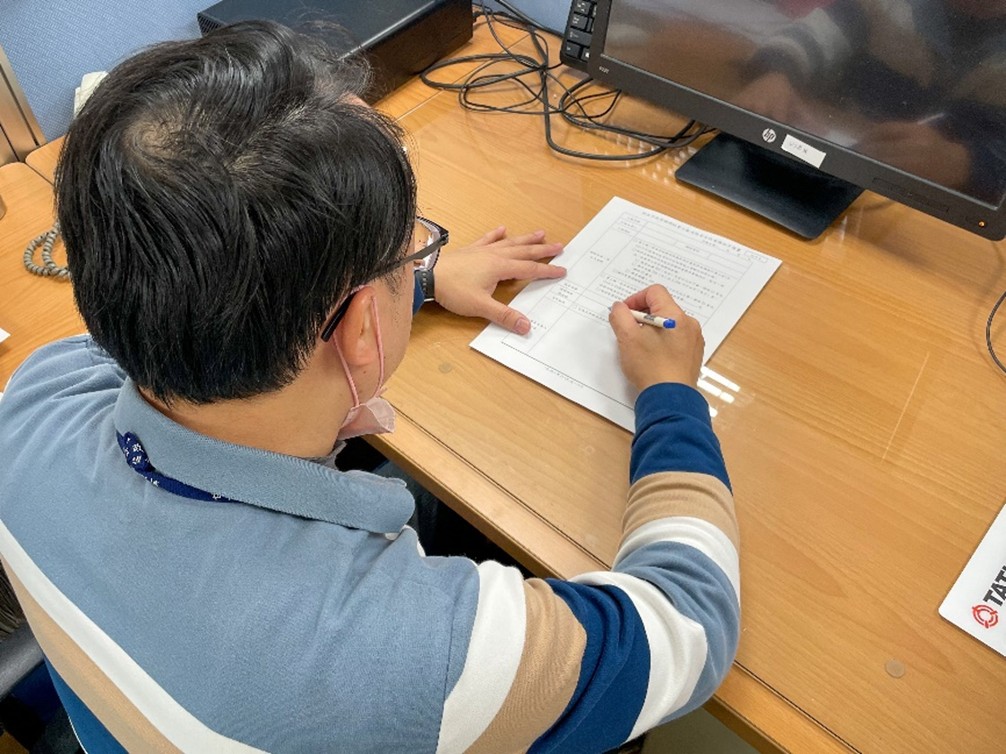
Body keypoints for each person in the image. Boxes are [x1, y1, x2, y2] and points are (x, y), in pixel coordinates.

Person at [0, 20, 740, 754]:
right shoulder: (410, 661)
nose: (417, 260)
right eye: (412, 246)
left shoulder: (35, 400)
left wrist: (413, 282)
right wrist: (671, 395)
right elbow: (690, 622)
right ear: (359, 327)